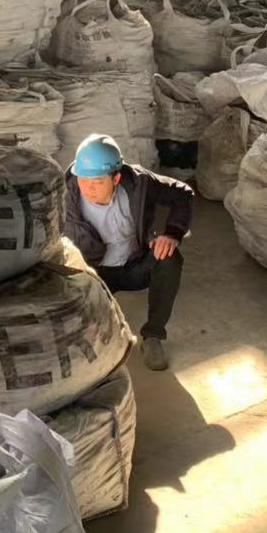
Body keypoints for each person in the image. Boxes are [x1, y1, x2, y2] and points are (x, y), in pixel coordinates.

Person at [64, 133, 193, 371]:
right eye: (83, 180)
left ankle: (153, 336)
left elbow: (182, 192)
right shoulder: (64, 197)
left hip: (135, 266)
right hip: (95, 276)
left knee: (169, 258)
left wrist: (172, 232)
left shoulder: (140, 184)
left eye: (97, 182)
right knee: (83, 332)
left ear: (116, 178)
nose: (89, 189)